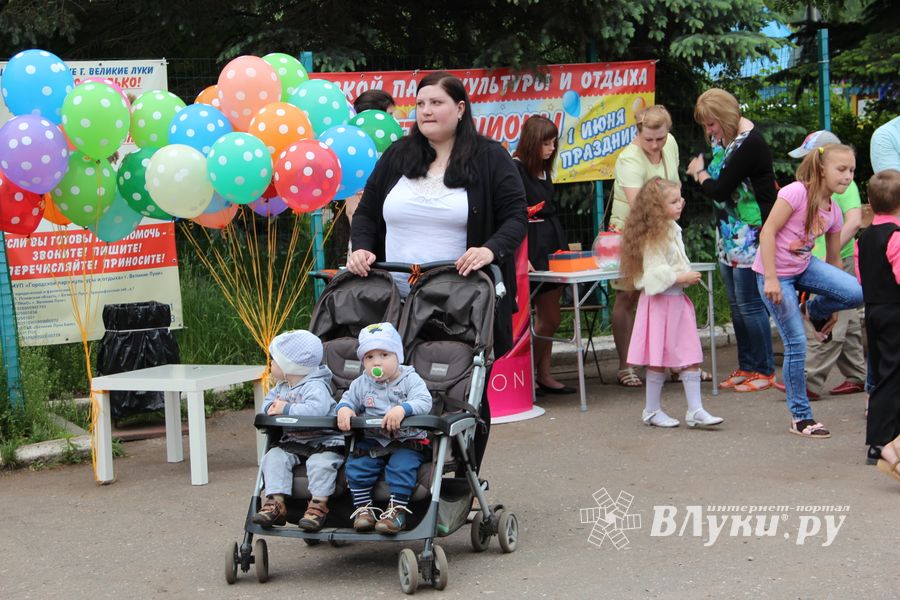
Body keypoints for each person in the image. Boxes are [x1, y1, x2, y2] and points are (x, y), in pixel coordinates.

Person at [348, 70, 527, 358]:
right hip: (394, 305)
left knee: (456, 382)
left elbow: (516, 218)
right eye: (420, 104)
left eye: (436, 103)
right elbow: (366, 214)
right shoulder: (397, 155)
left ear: (460, 108)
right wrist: (362, 248)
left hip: (461, 309)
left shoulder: (490, 157)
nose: (426, 111)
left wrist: (489, 250)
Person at [753, 144, 864, 438]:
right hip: (775, 274)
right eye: (841, 169)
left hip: (804, 266)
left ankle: (810, 311)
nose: (848, 176)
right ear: (822, 169)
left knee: (855, 292)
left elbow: (834, 261)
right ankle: (801, 417)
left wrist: (832, 304)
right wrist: (771, 278)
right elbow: (767, 232)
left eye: (852, 170)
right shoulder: (795, 193)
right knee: (796, 343)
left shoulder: (834, 210)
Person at [687, 88, 778, 393]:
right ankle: (747, 366)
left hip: (750, 235)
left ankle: (765, 370)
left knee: (750, 304)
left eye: (711, 124)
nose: (709, 131)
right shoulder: (723, 140)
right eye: (705, 125)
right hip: (728, 234)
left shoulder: (749, 144)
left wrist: (699, 173)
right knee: (737, 305)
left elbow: (720, 189)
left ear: (726, 116)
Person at [618, 177, 724, 429]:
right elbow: (653, 275)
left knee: (690, 354)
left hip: (676, 303)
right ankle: (652, 410)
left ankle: (695, 410)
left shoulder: (670, 229)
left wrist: (681, 278)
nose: (681, 204)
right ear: (657, 208)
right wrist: (681, 277)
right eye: (674, 201)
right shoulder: (655, 236)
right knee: (657, 360)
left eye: (680, 199)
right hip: (660, 305)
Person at [773, 130, 866, 399]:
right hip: (819, 259)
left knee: (832, 324)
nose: (848, 175)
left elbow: (853, 221)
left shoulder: (844, 186)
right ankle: (858, 375)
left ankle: (809, 380)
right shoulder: (804, 190)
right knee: (848, 323)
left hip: (834, 260)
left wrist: (827, 253)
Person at [609, 105, 683, 388]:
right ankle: (626, 365)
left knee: (668, 293)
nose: (654, 145)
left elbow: (674, 187)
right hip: (631, 231)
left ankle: (674, 362)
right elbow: (640, 206)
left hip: (664, 228)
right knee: (628, 296)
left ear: (668, 132)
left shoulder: (670, 144)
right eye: (648, 139)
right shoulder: (629, 158)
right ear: (638, 132)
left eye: (660, 138)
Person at [336, 323, 433, 533]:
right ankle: (363, 509)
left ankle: (397, 511)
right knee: (357, 464)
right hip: (374, 440)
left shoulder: (410, 379)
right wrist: (344, 409)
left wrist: (403, 409)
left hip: (407, 440)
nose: (376, 362)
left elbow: (425, 401)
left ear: (398, 356)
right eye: (369, 357)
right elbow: (348, 399)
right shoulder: (362, 383)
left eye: (384, 355)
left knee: (402, 467)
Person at [251, 330, 344, 532]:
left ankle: (318, 505)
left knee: (320, 465)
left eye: (275, 361)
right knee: (273, 457)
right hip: (292, 443)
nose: (271, 364)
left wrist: (286, 409)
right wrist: (270, 409)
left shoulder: (316, 386)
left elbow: (316, 410)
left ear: (289, 367)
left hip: (323, 443)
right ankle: (276, 502)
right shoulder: (281, 387)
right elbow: (266, 405)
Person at [513, 115, 572, 394]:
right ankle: (526, 374)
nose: (551, 149)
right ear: (531, 142)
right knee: (539, 317)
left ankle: (542, 374)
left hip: (552, 246)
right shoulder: (515, 168)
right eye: (546, 143)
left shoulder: (545, 170)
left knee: (551, 316)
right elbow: (512, 214)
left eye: (554, 143)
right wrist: (521, 255)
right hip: (530, 248)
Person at [855, 169, 900, 480]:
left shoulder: (865, 237)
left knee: (885, 372)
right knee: (892, 377)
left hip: (873, 310)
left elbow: (861, 276)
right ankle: (881, 442)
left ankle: (887, 437)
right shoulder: (896, 236)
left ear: (870, 202)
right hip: (895, 311)